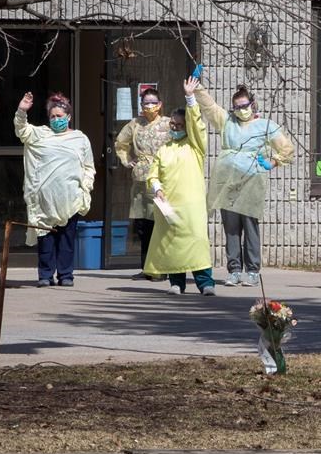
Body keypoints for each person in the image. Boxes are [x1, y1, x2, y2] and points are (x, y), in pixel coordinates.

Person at [195, 83, 294, 287]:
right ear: (233, 109)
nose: (242, 110)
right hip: (228, 182)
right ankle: (234, 270)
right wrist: (198, 89)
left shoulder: (266, 125)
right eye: (238, 107)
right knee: (231, 228)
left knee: (250, 227)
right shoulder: (227, 122)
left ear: (253, 104)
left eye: (245, 105)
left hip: (251, 183)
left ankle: (252, 271)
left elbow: (286, 148)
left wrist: (273, 162)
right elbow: (210, 107)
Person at [143, 77, 216, 296]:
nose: (174, 128)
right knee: (171, 244)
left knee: (196, 242)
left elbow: (197, 125)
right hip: (169, 205)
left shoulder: (195, 146)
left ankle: (205, 283)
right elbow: (153, 174)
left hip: (192, 206)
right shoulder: (164, 148)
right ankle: (176, 282)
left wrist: (190, 98)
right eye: (172, 124)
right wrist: (157, 188)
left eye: (179, 125)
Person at [14, 91, 95, 288]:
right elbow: (22, 130)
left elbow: (88, 167)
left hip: (70, 198)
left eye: (59, 116)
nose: (56, 119)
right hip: (44, 200)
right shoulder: (40, 134)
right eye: (52, 116)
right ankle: (45, 275)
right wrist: (22, 111)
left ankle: (66, 275)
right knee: (46, 238)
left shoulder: (80, 139)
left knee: (67, 240)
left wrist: (86, 187)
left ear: (68, 117)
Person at [114, 87, 171, 280]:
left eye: (153, 102)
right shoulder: (135, 124)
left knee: (161, 225)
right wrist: (126, 160)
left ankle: (162, 268)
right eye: (146, 102)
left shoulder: (168, 123)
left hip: (162, 180)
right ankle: (146, 267)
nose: (150, 106)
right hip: (140, 180)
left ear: (160, 104)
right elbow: (120, 143)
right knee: (143, 226)